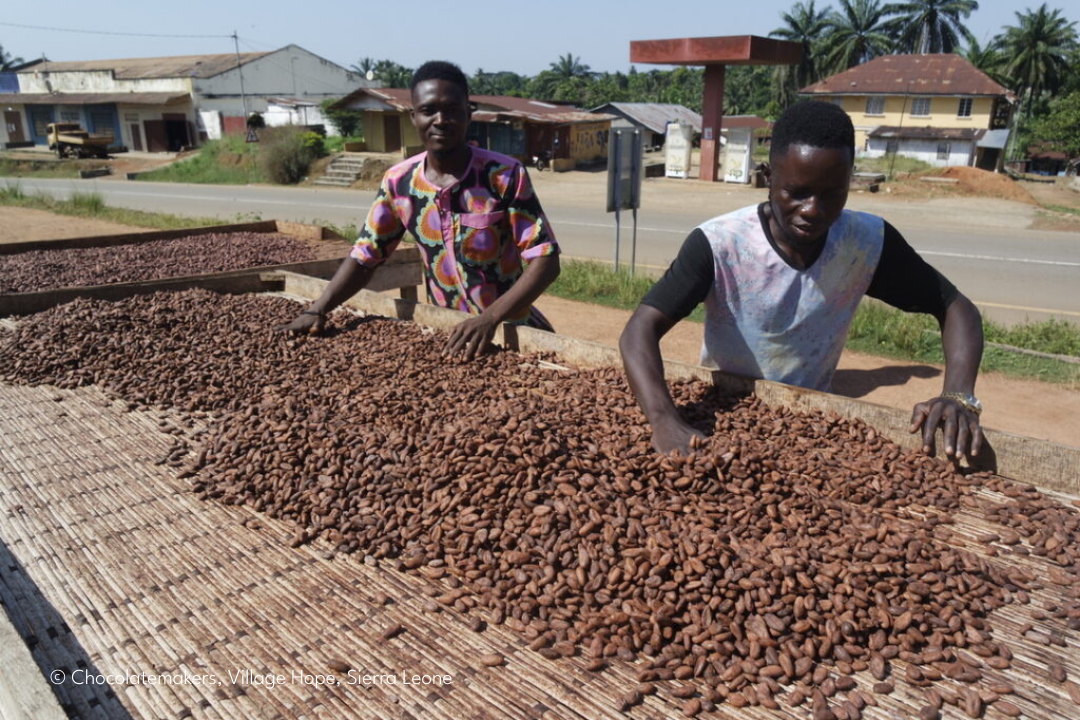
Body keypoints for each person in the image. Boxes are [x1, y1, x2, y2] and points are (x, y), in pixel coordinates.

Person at [620, 100, 985, 459]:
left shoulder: (866, 242)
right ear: (768, 178)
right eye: (796, 193)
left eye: (832, 194)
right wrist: (664, 418)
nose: (813, 210)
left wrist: (957, 395)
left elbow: (955, 306)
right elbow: (640, 330)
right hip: (723, 408)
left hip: (810, 417)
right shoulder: (720, 244)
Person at [278, 61, 560, 359]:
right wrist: (317, 309)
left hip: (512, 329)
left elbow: (546, 260)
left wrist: (489, 319)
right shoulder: (399, 182)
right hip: (448, 334)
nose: (441, 120)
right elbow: (365, 257)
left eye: (452, 110)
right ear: (413, 116)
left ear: (468, 112)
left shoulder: (503, 175)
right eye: (428, 111)